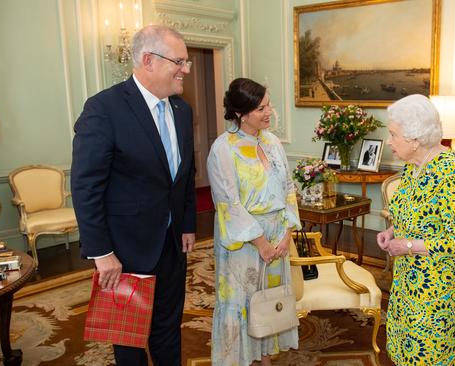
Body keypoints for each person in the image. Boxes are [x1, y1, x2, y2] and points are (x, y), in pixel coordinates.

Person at [71, 25, 196, 365]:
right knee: (128, 337)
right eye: (179, 61)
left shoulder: (182, 111)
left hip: (171, 243)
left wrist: (186, 223)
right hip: (125, 250)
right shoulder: (103, 109)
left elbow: (185, 175)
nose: (185, 69)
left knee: (168, 327)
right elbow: (86, 186)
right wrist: (102, 252)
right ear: (148, 60)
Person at [207, 78, 301, 366]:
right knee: (242, 301)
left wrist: (286, 235)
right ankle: (239, 359)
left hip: (277, 238)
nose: (269, 111)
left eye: (269, 104)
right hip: (244, 242)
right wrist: (261, 242)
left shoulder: (272, 142)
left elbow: (288, 189)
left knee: (268, 299)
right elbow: (229, 204)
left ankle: (264, 355)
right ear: (240, 113)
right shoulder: (223, 148)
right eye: (261, 108)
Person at [376, 94, 455, 365]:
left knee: (429, 348)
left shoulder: (450, 172)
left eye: (393, 135)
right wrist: (393, 232)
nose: (389, 142)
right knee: (406, 341)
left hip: (436, 281)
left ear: (415, 138)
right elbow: (411, 214)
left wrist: (408, 246)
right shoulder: (413, 167)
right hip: (409, 275)